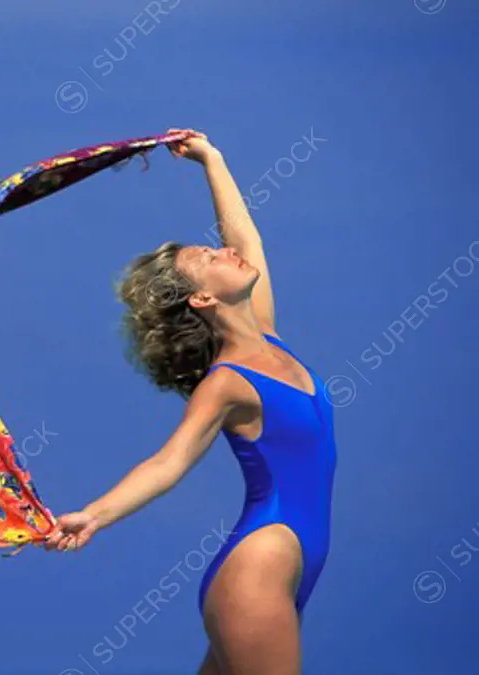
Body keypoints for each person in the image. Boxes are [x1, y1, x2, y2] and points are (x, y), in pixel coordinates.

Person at [45, 129, 337, 675]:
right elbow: (169, 461)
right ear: (203, 298)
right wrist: (94, 515)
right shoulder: (227, 381)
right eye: (209, 257)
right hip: (257, 573)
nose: (225, 251)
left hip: (286, 570)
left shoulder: (267, 338)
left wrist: (212, 161)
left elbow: (246, 240)